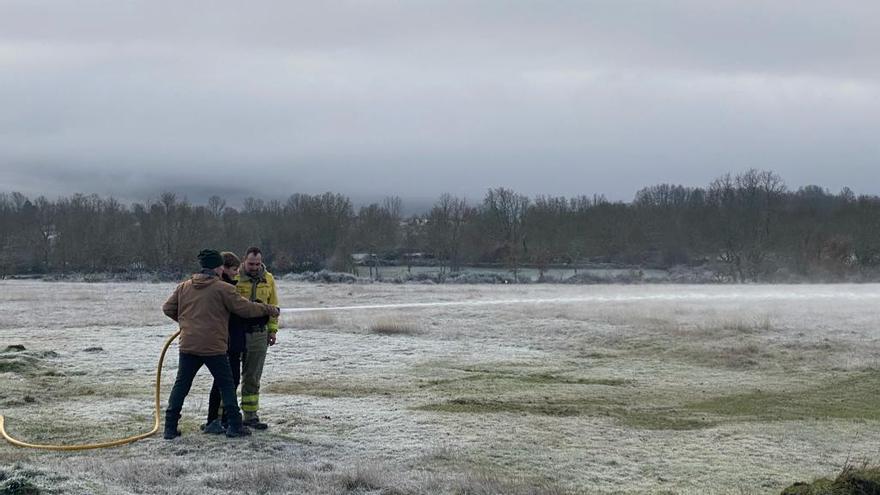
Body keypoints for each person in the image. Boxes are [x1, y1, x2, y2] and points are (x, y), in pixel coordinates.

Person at [161, 249, 279, 440]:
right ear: (218, 268)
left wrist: (187, 324)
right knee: (227, 384)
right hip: (214, 346)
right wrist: (269, 310)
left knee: (181, 385)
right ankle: (234, 426)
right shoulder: (223, 289)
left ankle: (170, 428)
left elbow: (167, 308)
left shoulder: (184, 287)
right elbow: (246, 308)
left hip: (188, 345)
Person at [201, 251, 269, 434]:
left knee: (235, 379)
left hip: (236, 339)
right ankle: (217, 419)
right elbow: (242, 309)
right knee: (225, 380)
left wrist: (269, 324)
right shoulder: (223, 287)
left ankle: (227, 419)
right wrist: (267, 309)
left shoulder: (229, 284)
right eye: (233, 269)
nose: (235, 273)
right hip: (225, 341)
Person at [236, 246, 280, 430]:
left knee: (252, 376)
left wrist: (272, 330)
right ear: (244, 261)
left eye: (257, 263)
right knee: (229, 375)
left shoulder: (268, 279)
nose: (254, 267)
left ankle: (251, 416)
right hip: (236, 332)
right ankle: (223, 415)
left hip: (258, 334)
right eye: (251, 263)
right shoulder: (233, 278)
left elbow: (274, 305)